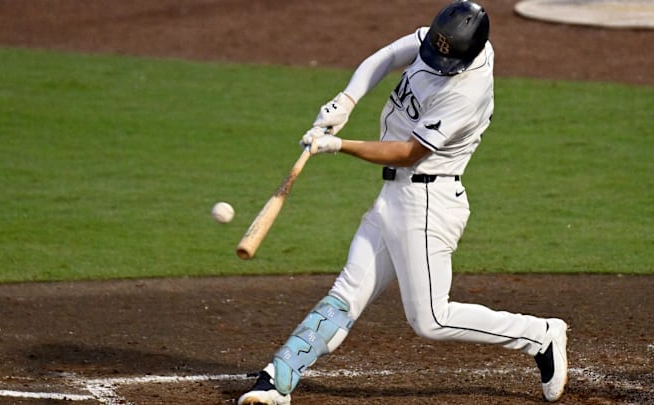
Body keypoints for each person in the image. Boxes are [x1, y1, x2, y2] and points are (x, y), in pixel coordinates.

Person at [238, 1, 568, 404]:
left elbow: (408, 153)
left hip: (428, 204)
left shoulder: (466, 92)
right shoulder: (448, 40)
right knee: (346, 293)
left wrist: (338, 144)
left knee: (431, 320)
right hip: (394, 197)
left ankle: (540, 335)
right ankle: (278, 378)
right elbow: (390, 55)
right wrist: (346, 100)